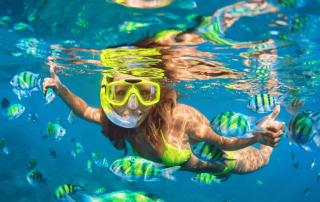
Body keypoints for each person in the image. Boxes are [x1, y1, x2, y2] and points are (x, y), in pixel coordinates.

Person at [43, 59, 284, 179]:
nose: (132, 106)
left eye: (144, 93)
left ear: (156, 95)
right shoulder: (115, 120)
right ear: (109, 95)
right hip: (196, 169)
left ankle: (270, 132)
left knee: (261, 159)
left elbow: (224, 142)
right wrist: (60, 88)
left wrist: (258, 137)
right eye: (121, 93)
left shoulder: (181, 119)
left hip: (222, 162)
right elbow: (84, 111)